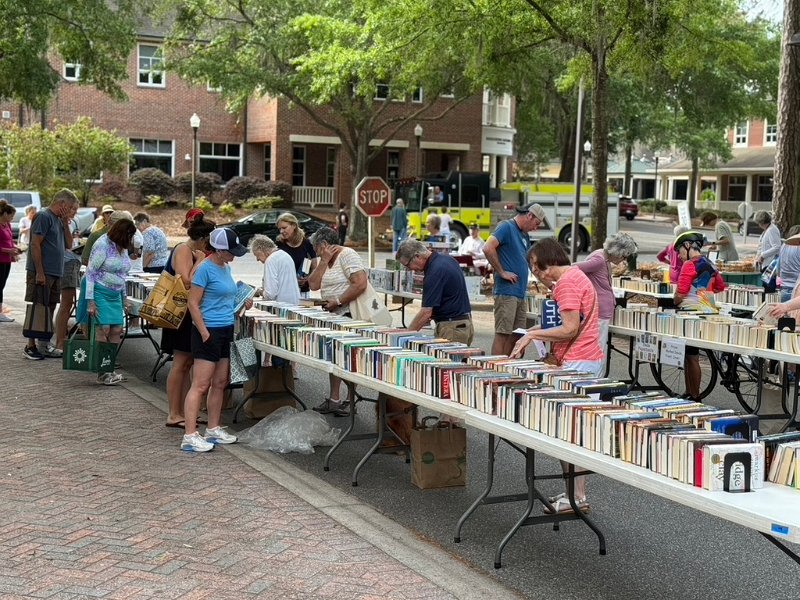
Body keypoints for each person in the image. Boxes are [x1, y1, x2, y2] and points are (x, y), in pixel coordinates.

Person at [511, 238, 602, 514]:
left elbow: (570, 328)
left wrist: (533, 334)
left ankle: (578, 497)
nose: (534, 272)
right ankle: (575, 494)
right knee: (573, 430)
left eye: (533, 266)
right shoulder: (575, 276)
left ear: (541, 263)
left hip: (578, 363)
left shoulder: (567, 283)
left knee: (571, 432)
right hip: (586, 360)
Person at [181, 227, 249, 452]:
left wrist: (242, 303)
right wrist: (203, 332)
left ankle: (213, 427)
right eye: (231, 251)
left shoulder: (225, 267)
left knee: (220, 383)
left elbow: (226, 299)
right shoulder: (204, 269)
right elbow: (193, 303)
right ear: (219, 250)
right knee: (200, 384)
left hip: (225, 328)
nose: (234, 255)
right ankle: (190, 435)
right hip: (209, 330)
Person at [307, 226, 369, 416]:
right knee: (333, 358)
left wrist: (339, 301)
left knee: (350, 360)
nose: (315, 252)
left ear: (324, 244)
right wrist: (323, 261)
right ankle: (334, 399)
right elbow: (314, 284)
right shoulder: (323, 260)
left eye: (317, 248)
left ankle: (351, 400)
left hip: (349, 314)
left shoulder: (348, 255)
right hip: (332, 315)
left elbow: (360, 283)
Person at [161, 217, 216, 429]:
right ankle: (174, 413)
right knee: (180, 364)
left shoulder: (197, 252)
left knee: (188, 364)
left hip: (192, 313)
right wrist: (202, 261)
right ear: (203, 239)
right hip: (182, 314)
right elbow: (185, 281)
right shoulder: (183, 250)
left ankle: (186, 411)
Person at [483, 202, 545, 356]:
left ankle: (508, 368)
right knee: (503, 333)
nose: (535, 228)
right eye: (536, 223)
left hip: (520, 292)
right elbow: (487, 247)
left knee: (518, 334)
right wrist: (502, 272)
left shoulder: (524, 234)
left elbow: (530, 262)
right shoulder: (506, 227)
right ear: (529, 215)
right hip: (507, 291)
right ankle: (496, 370)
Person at [24, 189, 79, 360]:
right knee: (39, 305)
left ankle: (44, 344)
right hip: (43, 271)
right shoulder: (44, 216)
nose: (73, 212)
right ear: (62, 204)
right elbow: (35, 244)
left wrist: (64, 222)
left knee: (50, 306)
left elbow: (69, 244)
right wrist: (39, 271)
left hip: (56, 272)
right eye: (71, 208)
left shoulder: (58, 220)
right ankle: (30, 345)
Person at [673, 231, 726, 400]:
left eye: (680, 251)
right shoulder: (709, 263)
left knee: (691, 356)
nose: (680, 256)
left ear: (688, 246)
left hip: (691, 312)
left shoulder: (689, 265)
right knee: (692, 353)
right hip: (706, 309)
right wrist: (704, 291)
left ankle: (694, 395)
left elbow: (680, 294)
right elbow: (720, 286)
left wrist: (674, 301)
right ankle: (691, 392)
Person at [85, 218, 138, 385]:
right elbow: (91, 272)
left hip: (116, 293)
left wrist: (123, 299)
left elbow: (122, 275)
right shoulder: (103, 245)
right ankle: (102, 371)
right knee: (103, 328)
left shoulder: (121, 248)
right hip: (100, 291)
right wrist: (90, 300)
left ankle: (109, 368)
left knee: (116, 329)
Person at [575, 232, 638, 361]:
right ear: (619, 252)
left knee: (598, 349)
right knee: (597, 350)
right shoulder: (599, 259)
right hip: (598, 313)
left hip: (599, 312)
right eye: (624, 256)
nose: (623, 260)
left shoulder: (602, 257)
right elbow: (572, 268)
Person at [396, 239, 473, 344]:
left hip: (452, 327)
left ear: (417, 256)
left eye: (408, 265)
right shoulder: (447, 259)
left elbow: (426, 312)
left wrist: (403, 337)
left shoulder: (434, 272)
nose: (410, 269)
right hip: (462, 324)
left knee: (446, 360)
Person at [250, 234, 301, 304]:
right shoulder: (284, 254)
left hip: (282, 305)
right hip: (294, 302)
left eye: (257, 255)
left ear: (261, 250)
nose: (257, 259)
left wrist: (260, 291)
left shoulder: (270, 260)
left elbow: (270, 294)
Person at [276, 212, 317, 293]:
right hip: (284, 290)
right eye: (279, 229)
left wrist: (307, 279)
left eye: (284, 228)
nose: (281, 231)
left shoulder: (307, 243)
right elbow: (275, 270)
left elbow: (315, 267)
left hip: (303, 291)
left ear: (294, 226)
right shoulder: (278, 244)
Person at [0, 200, 22, 322]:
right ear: (5, 214)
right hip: (1, 258)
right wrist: (7, 250)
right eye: (11, 215)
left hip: (7, 260)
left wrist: (15, 248)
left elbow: (9, 240)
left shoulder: (7, 225)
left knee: (2, 285)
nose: (12, 218)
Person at [778, 226, 800, 302]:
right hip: (795, 290)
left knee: (784, 312)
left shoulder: (784, 245)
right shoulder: (798, 247)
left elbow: (779, 266)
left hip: (784, 287)